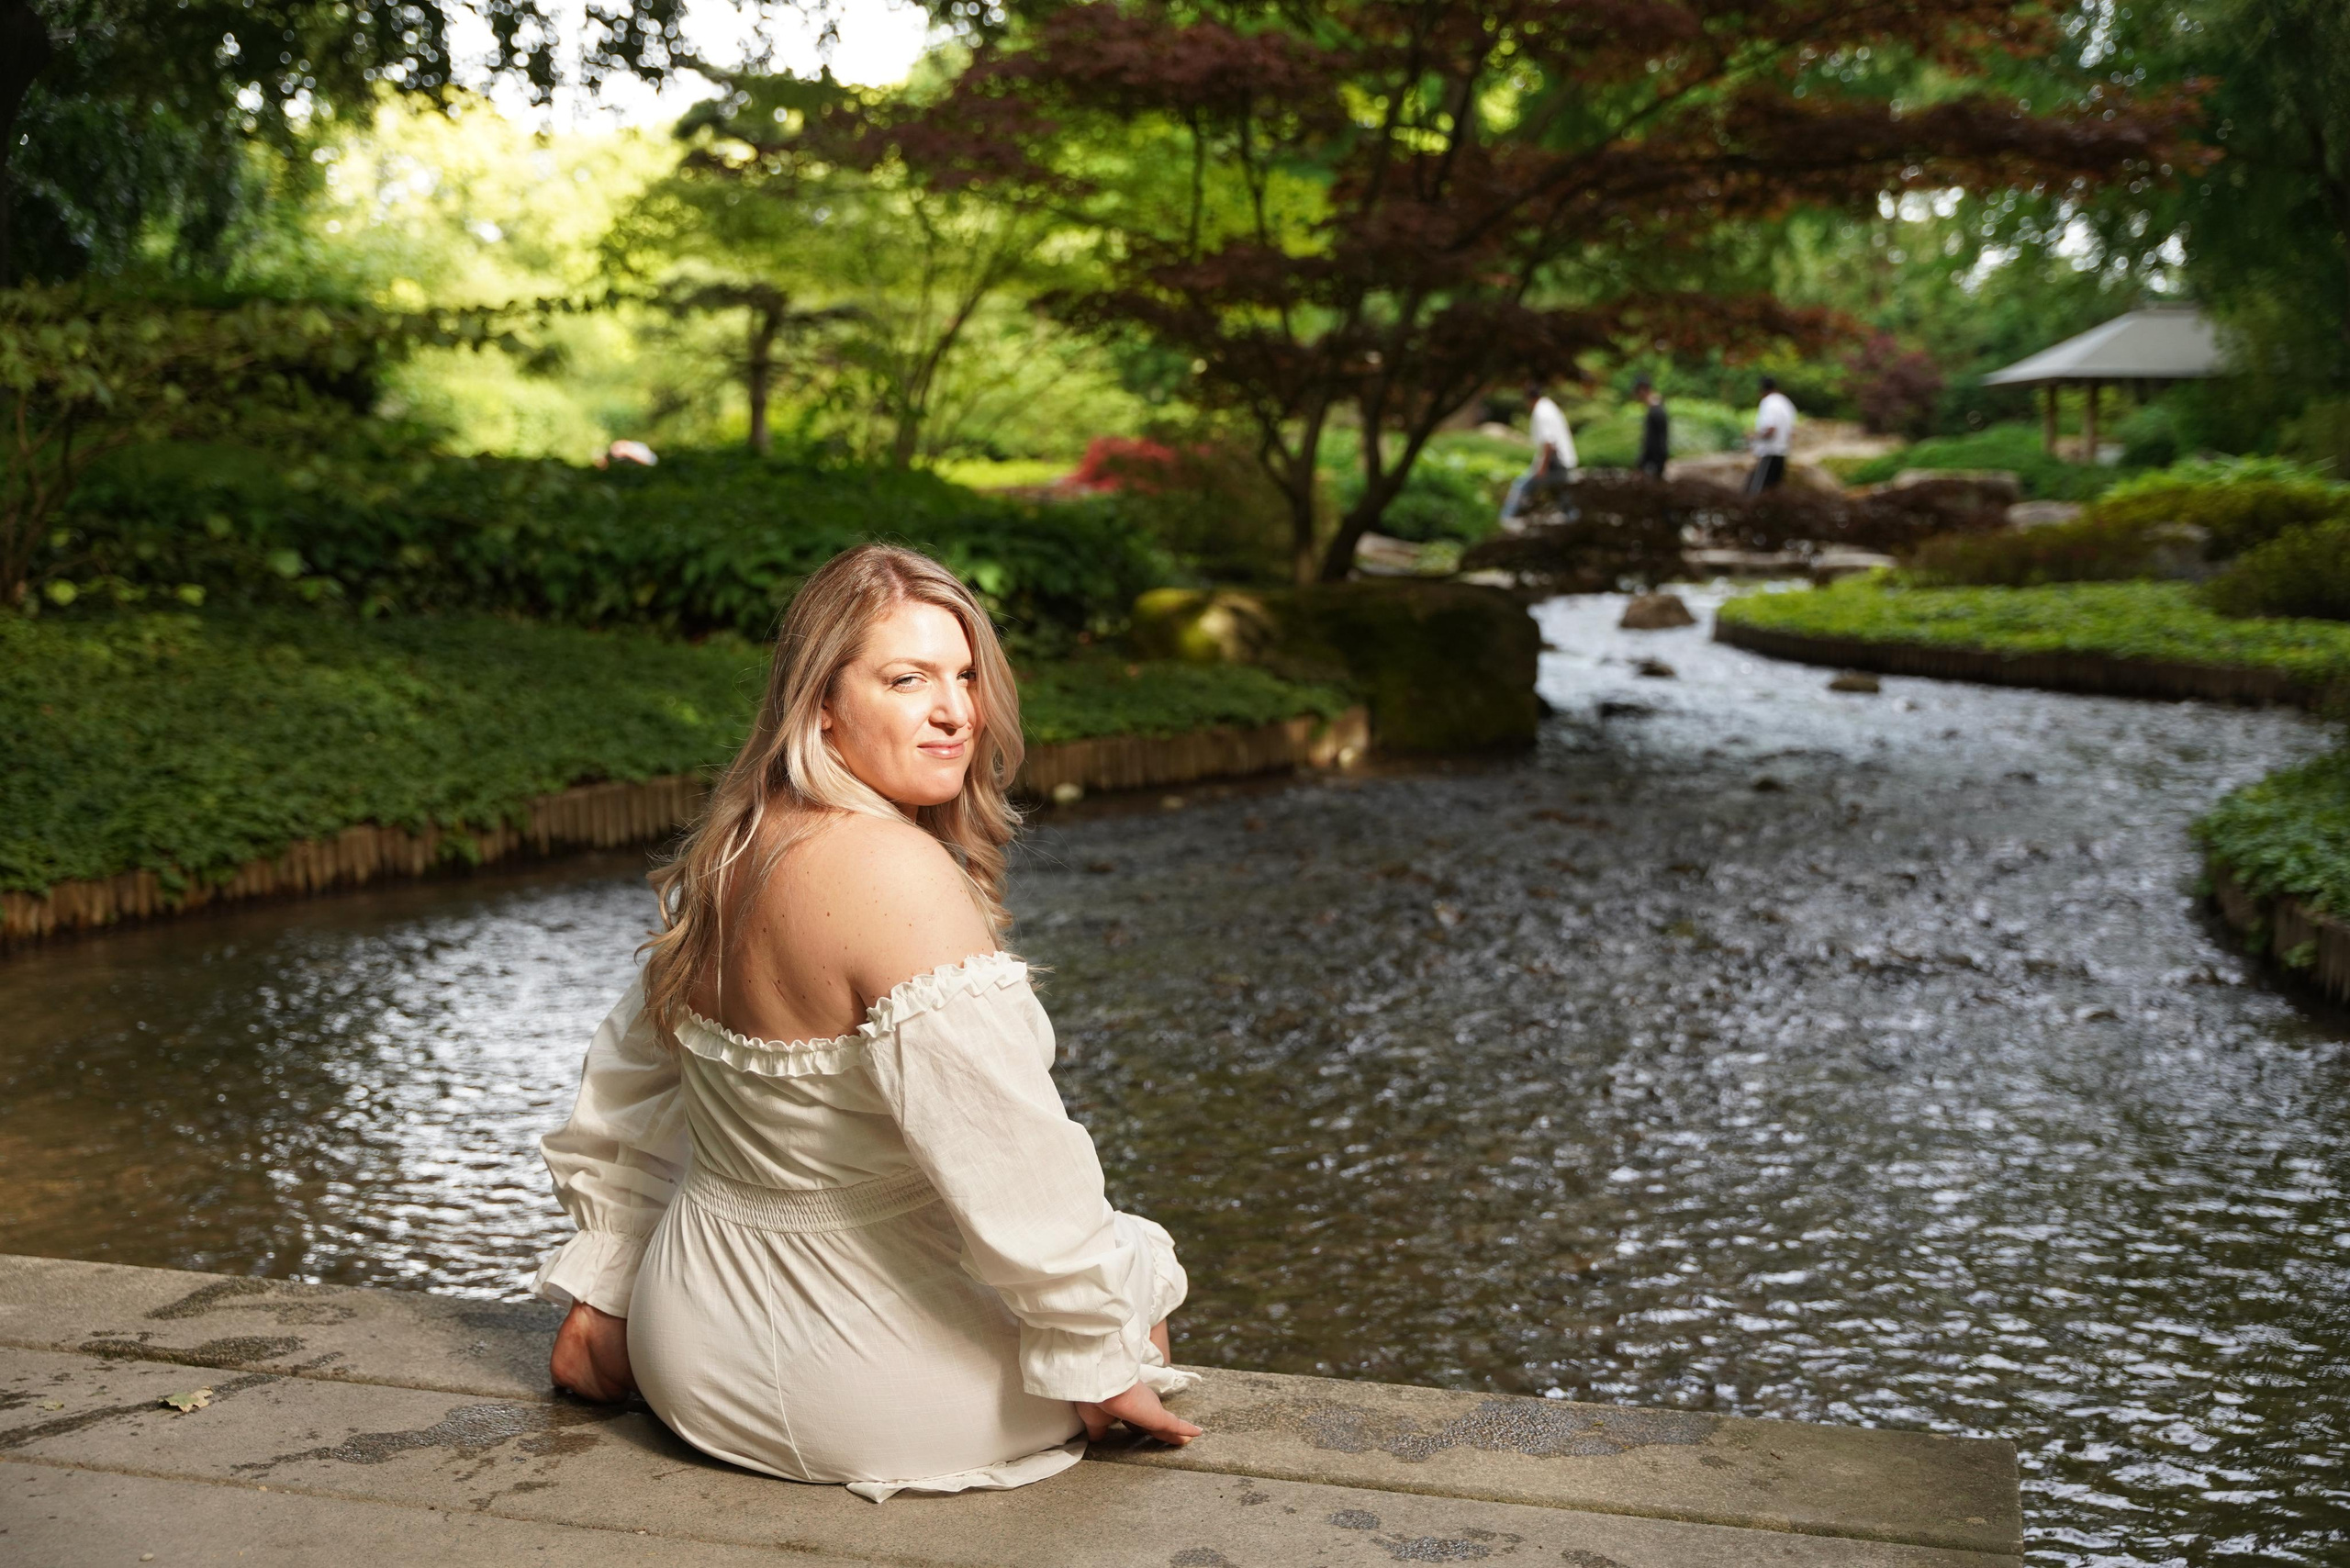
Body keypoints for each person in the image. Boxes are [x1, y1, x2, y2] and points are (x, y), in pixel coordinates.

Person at [535, 543, 1201, 1503]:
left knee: (1098, 1270)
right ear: (821, 706)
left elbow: (630, 1088)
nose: (957, 712)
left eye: (965, 675)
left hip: (689, 1354)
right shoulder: (897, 871)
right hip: (876, 1391)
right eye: (907, 678)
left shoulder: (734, 846)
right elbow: (1011, 1156)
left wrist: (606, 1289)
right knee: (1133, 1271)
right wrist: (1098, 1362)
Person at [1500, 375, 1578, 529]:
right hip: (1565, 461)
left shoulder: (1541, 412)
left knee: (1521, 485)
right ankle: (1573, 519)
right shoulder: (1549, 406)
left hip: (1556, 462)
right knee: (1560, 493)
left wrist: (1542, 467)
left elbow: (1549, 442)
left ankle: (1506, 519)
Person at [1746, 376, 1796, 495]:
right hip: (1782, 452)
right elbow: (1791, 431)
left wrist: (1753, 437)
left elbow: (1770, 430)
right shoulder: (1785, 402)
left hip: (1769, 453)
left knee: (1756, 491)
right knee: (1772, 491)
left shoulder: (1769, 403)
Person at [1634, 378, 1670, 480]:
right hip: (1659, 458)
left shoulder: (1655, 411)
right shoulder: (1659, 408)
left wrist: (1642, 463)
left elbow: (1651, 440)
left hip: (1653, 462)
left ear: (1642, 391)